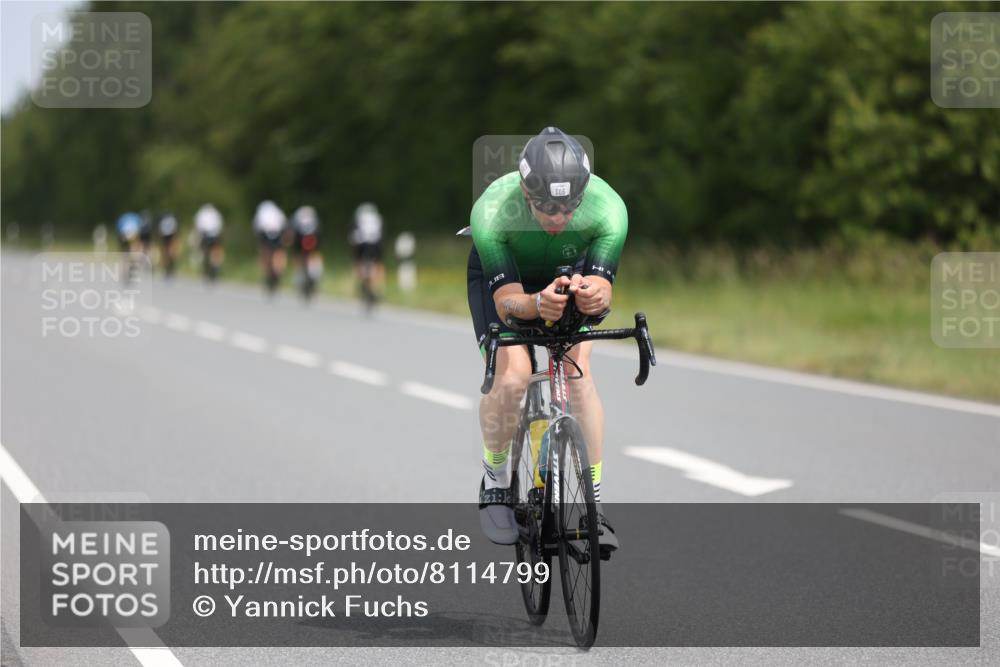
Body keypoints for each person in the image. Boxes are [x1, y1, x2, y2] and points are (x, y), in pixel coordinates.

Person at [467, 127, 627, 551]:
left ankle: (592, 500)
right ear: (524, 191)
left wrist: (595, 294)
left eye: (569, 207)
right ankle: (496, 480)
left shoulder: (609, 209)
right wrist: (536, 305)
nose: (558, 218)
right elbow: (506, 304)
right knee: (516, 374)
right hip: (508, 285)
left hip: (565, 277)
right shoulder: (492, 211)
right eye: (546, 207)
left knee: (578, 373)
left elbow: (605, 291)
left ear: (584, 192)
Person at [349, 202, 385, 296]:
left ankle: (362, 279)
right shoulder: (377, 219)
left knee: (358, 261)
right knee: (377, 264)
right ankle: (376, 286)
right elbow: (382, 234)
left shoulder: (358, 219)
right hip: (376, 244)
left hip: (361, 245)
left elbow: (352, 236)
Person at [253, 200, 288, 290]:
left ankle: (268, 271)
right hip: (277, 234)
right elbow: (284, 224)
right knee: (279, 252)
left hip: (265, 234)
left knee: (265, 253)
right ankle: (278, 269)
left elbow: (257, 227)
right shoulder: (277, 211)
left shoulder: (261, 212)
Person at [194, 203, 224, 281]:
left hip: (209, 235)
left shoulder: (204, 213)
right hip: (211, 235)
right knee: (209, 253)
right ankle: (210, 268)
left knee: (209, 252)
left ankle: (212, 269)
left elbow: (199, 225)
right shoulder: (214, 214)